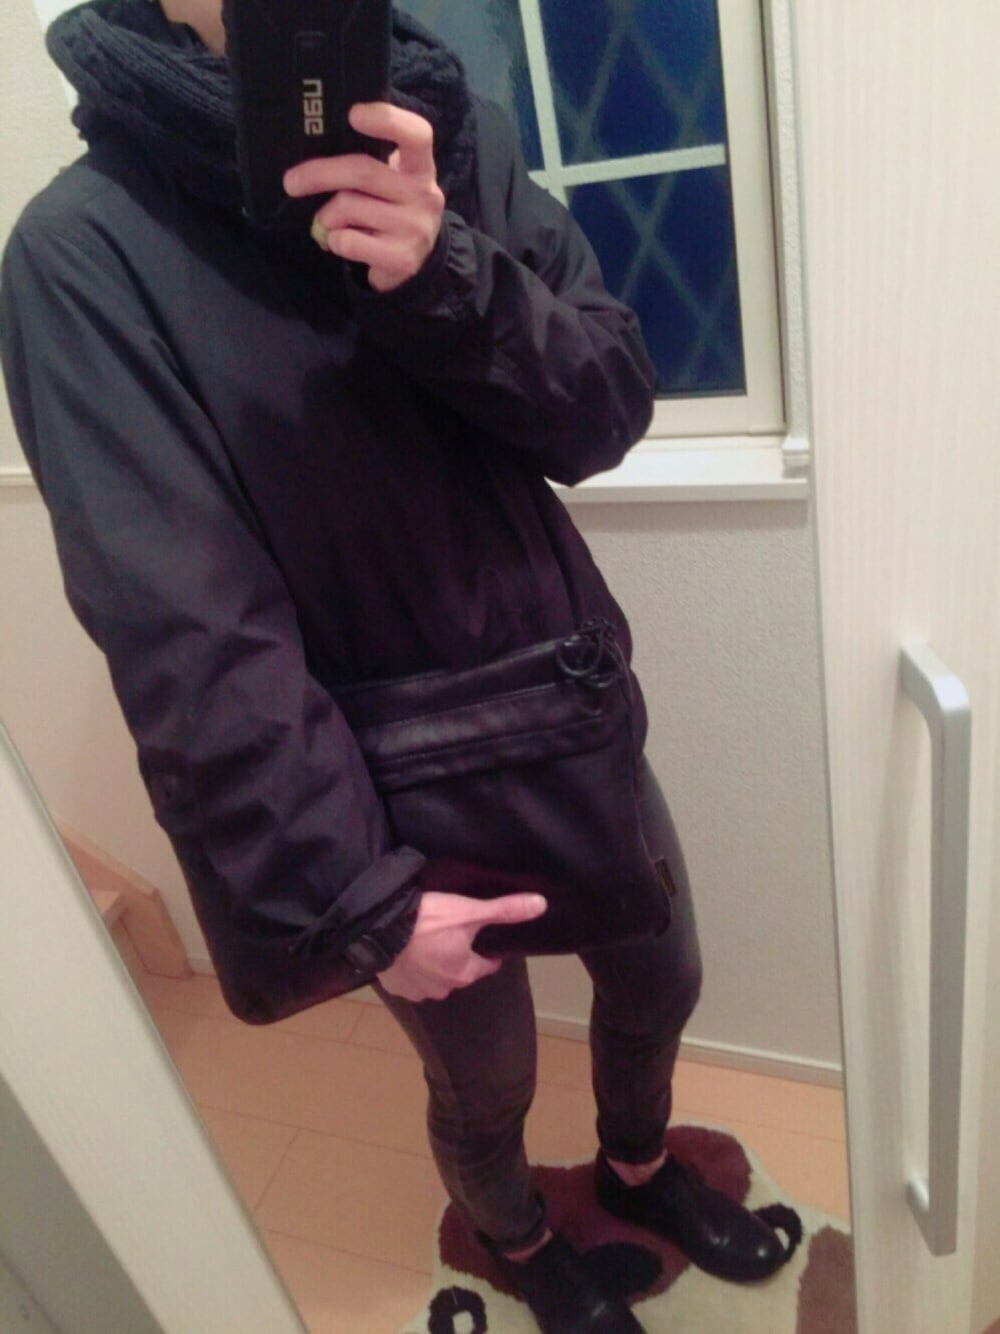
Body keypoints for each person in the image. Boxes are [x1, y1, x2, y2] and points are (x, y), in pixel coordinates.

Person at [0, 2, 789, 1329]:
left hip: (567, 707)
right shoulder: (80, 253)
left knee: (664, 977)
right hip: (380, 799)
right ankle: (519, 1240)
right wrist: (353, 895)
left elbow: (603, 406)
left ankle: (639, 1168)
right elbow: (189, 630)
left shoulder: (454, 137)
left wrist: (444, 273)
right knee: (485, 1081)